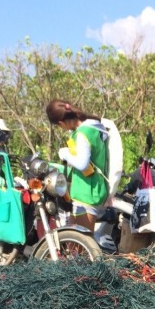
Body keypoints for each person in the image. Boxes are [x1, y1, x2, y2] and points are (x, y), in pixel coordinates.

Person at [46, 99, 109, 231]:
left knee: (83, 245)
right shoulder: (94, 128)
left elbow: (82, 164)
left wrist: (65, 154)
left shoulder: (82, 133)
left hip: (86, 193)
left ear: (61, 122)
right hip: (90, 190)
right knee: (72, 242)